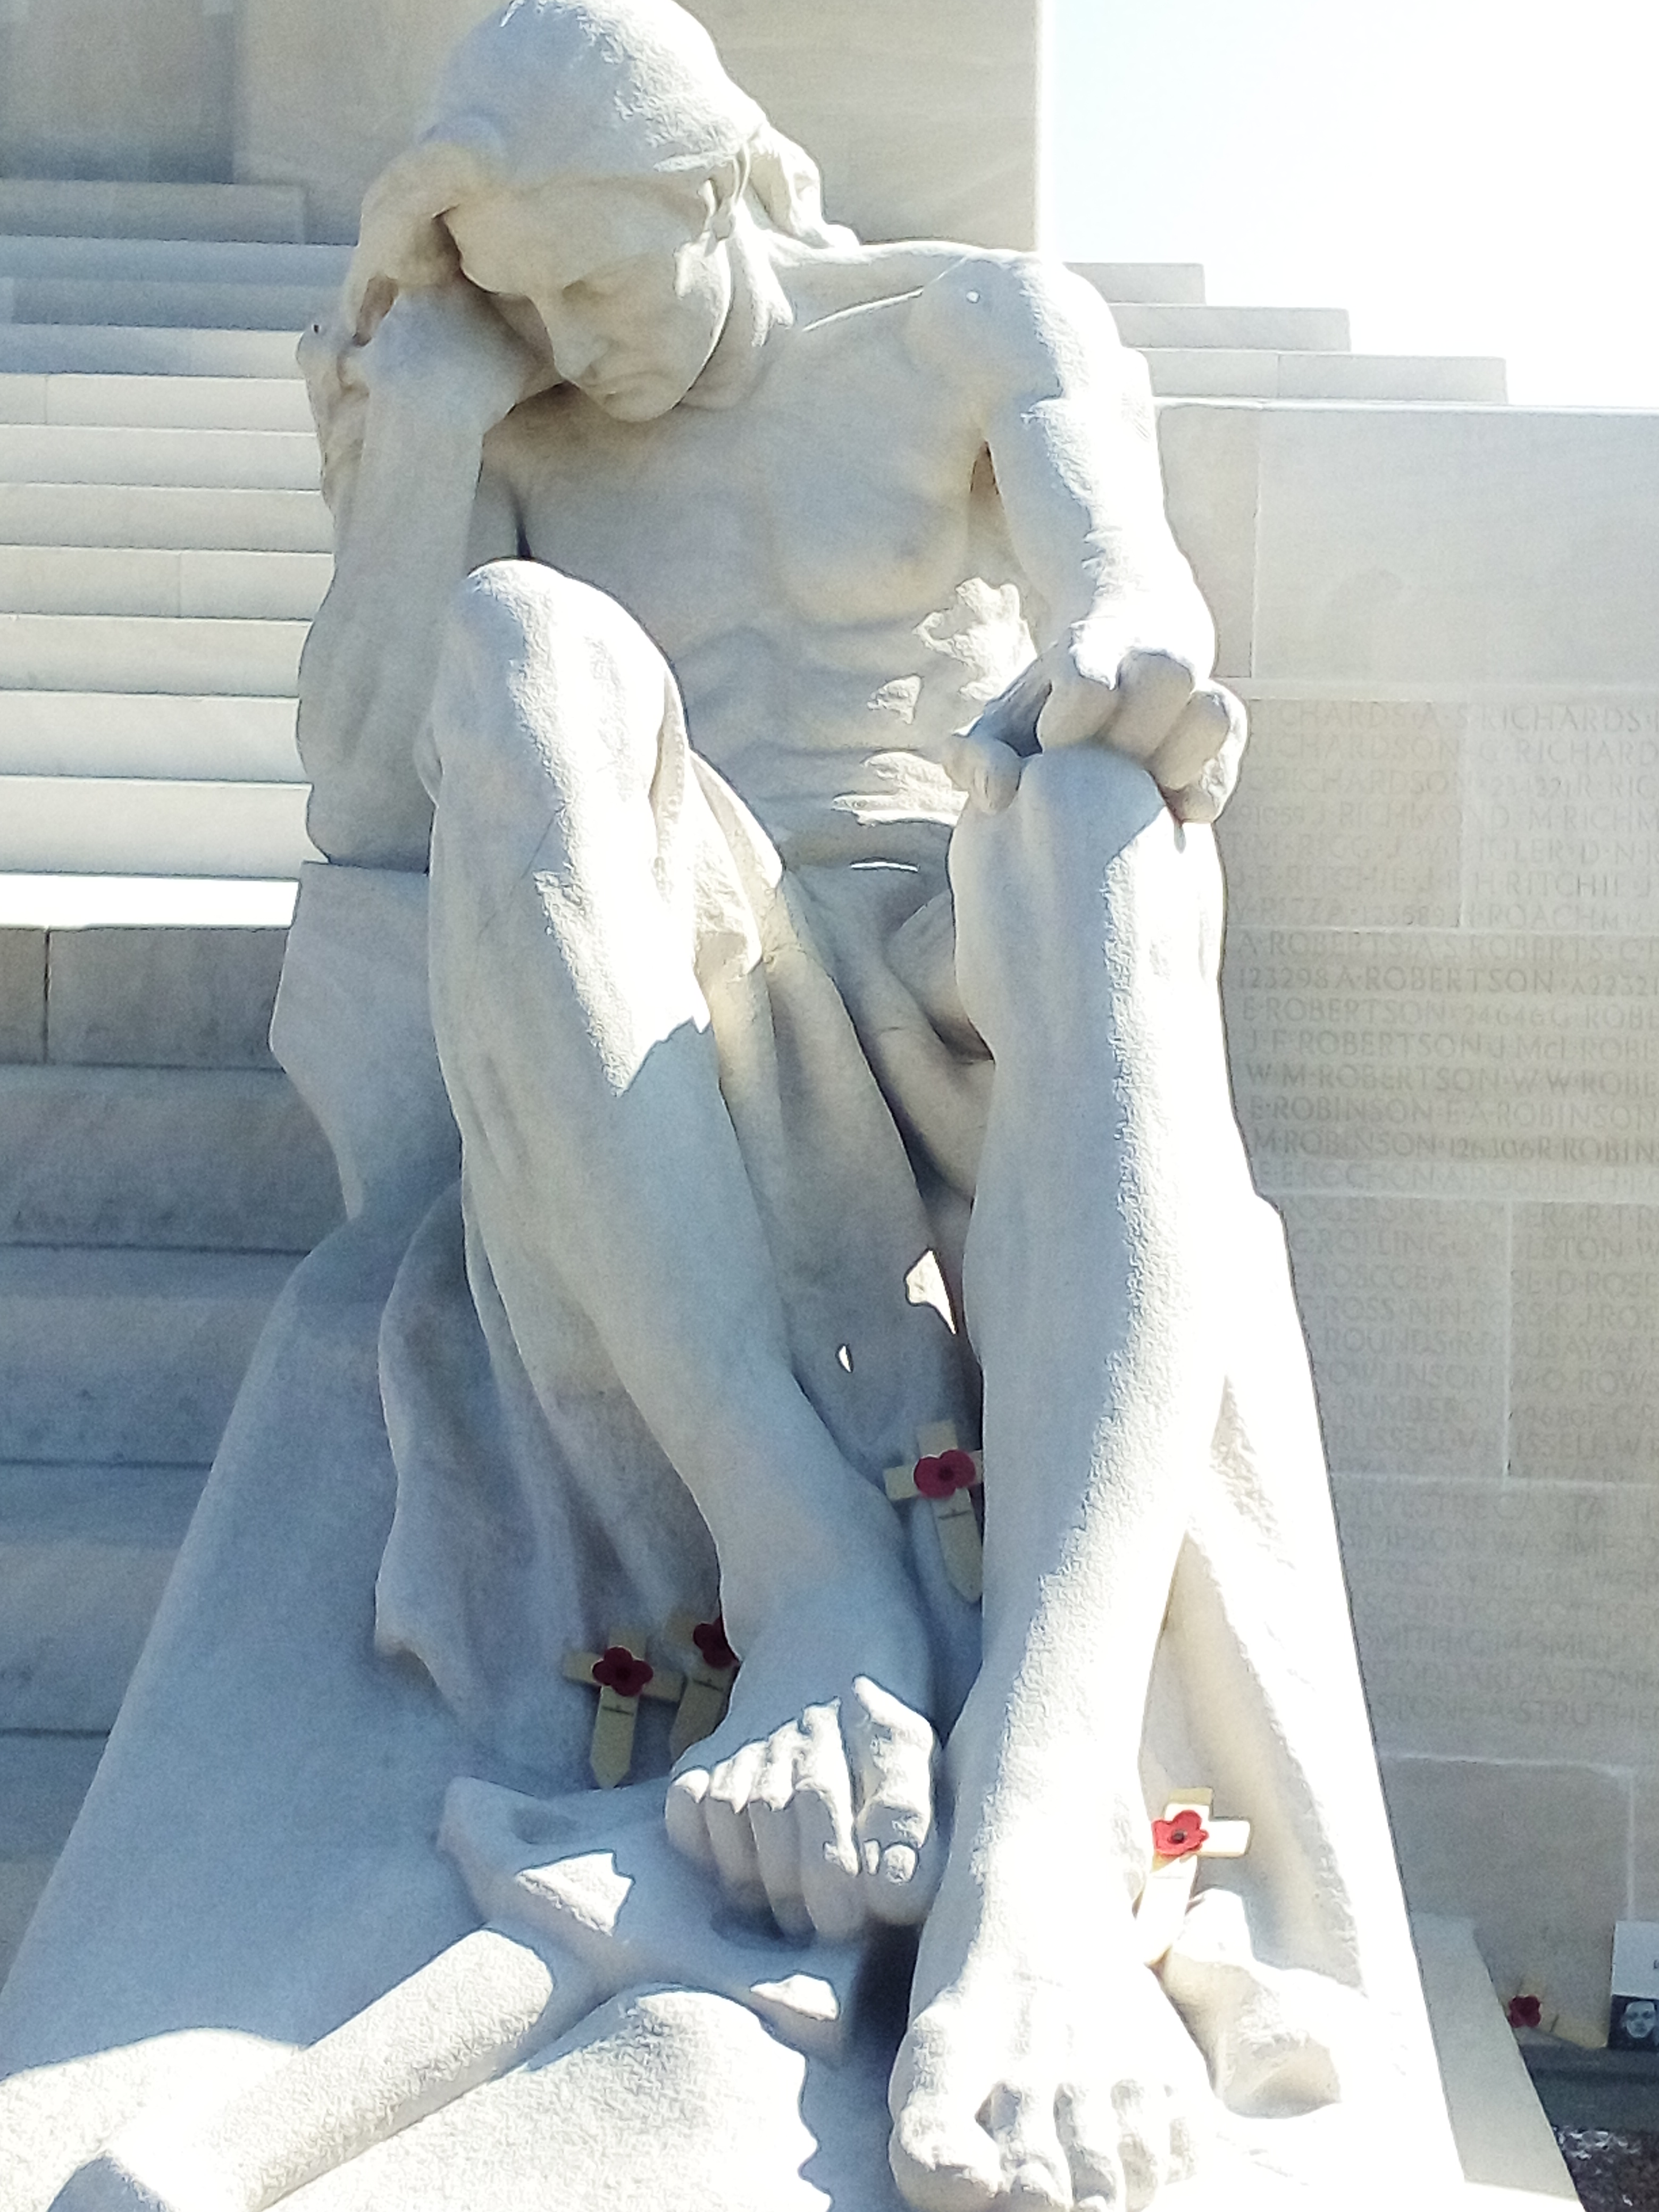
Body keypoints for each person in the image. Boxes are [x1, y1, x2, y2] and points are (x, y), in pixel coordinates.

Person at [290, 4, 1451, 2206]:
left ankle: (1045, 1778)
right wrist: (423, 430)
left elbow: (1129, 592)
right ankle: (809, 1569)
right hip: (691, 977)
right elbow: (366, 798)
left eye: (604, 277)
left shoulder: (973, 328)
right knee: (519, 641)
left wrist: (1119, 667)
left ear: (721, 181)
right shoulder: (516, 414)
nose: (576, 337)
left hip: (947, 936)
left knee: (1107, 821)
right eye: (529, 296)